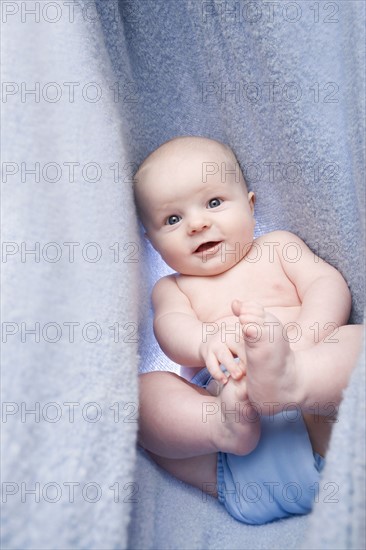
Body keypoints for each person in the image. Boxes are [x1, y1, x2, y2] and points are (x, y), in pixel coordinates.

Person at [134, 136, 362, 524]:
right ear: (151, 242)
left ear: (251, 206)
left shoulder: (278, 248)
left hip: (322, 413)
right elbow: (170, 329)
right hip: (240, 448)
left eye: (214, 202)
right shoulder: (172, 287)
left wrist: (301, 345)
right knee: (141, 396)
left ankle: (293, 380)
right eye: (172, 219)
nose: (197, 223)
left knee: (354, 342)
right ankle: (221, 427)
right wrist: (206, 341)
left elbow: (327, 286)